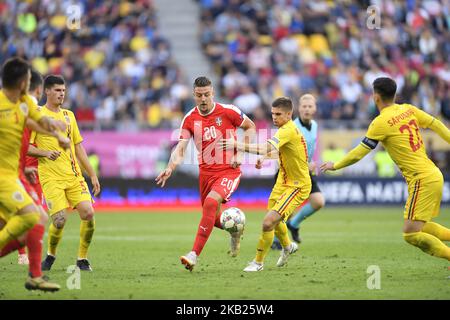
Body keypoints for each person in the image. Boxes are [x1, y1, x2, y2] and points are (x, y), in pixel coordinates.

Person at [321, 77, 450, 262]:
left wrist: (336, 165)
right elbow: (436, 124)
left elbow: (359, 153)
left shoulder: (380, 123)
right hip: (433, 174)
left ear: (376, 97)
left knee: (410, 234)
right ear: (394, 94)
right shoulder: (408, 109)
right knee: (420, 226)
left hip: (421, 179)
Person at [156, 76, 255, 271]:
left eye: (207, 95)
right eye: (199, 95)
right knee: (213, 217)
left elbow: (250, 127)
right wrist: (170, 167)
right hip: (206, 174)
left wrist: (241, 153)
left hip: (229, 171)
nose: (203, 99)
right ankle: (236, 230)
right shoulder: (190, 118)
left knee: (210, 203)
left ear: (213, 93)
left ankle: (193, 254)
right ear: (194, 95)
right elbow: (181, 148)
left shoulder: (228, 111)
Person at [221, 97, 311, 272]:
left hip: (297, 185)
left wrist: (237, 144)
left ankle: (258, 262)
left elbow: (264, 148)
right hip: (282, 182)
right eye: (272, 114)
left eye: (278, 114)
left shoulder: (288, 130)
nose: (274, 117)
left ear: (289, 114)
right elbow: (281, 151)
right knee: (274, 220)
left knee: (268, 222)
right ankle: (288, 246)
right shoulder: (284, 130)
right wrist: (265, 157)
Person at [0, 57, 65, 291]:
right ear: (21, 83)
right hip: (6, 177)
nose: (30, 86)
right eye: (28, 81)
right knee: (31, 217)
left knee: (35, 220)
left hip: (13, 175)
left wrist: (57, 132)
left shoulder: (24, 102)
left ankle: (35, 275)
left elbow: (37, 121)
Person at [33, 75, 101, 272]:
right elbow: (25, 147)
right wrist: (45, 152)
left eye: (63, 90)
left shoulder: (69, 116)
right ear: (47, 91)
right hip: (50, 177)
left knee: (88, 212)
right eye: (57, 90)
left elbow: (78, 148)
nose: (61, 94)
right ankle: (51, 255)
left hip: (73, 176)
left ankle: (82, 259)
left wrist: (93, 174)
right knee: (60, 220)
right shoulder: (38, 116)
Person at [272, 94, 325, 247]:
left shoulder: (314, 125)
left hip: (305, 170)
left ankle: (293, 225)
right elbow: (281, 149)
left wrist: (311, 163)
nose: (307, 109)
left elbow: (308, 148)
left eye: (310, 106)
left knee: (318, 201)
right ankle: (277, 240)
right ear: (298, 109)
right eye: (304, 106)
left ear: (314, 108)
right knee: (285, 208)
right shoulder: (292, 127)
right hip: (289, 171)